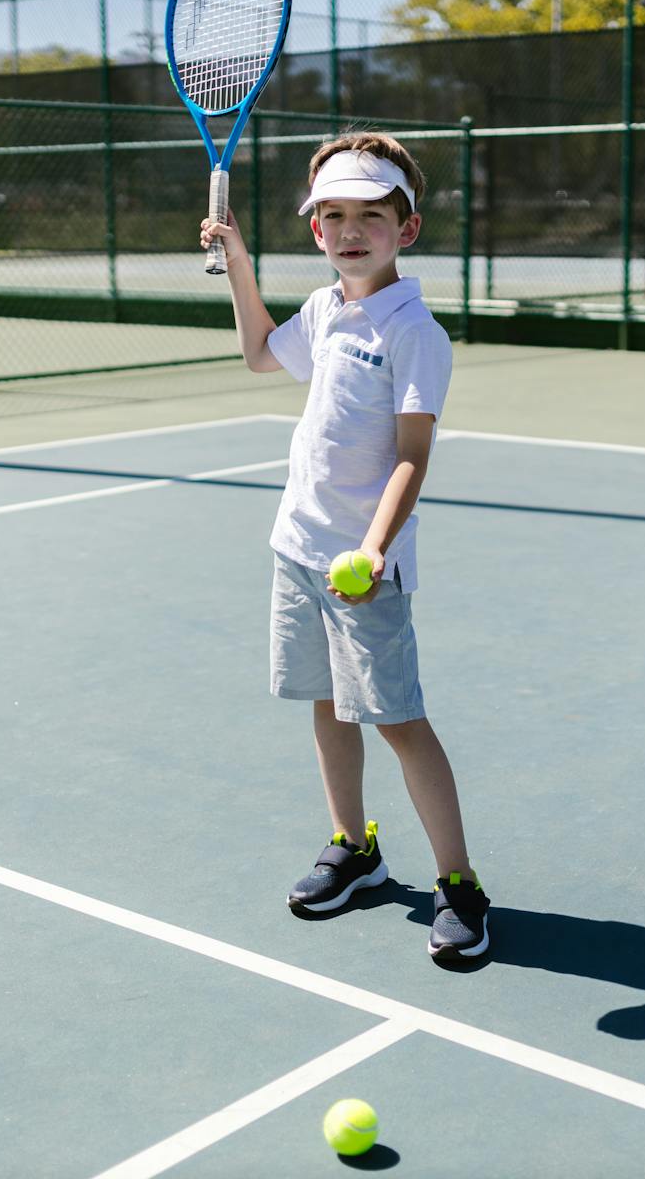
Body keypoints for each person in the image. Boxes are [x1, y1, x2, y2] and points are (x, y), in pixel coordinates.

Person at [199, 132, 489, 962]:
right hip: (297, 549)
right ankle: (355, 849)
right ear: (316, 229)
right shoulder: (327, 310)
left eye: (372, 214)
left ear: (410, 228)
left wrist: (371, 551)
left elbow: (412, 455)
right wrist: (241, 262)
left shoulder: (415, 333)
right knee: (327, 708)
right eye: (334, 215)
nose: (352, 229)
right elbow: (260, 355)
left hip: (365, 568)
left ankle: (459, 883)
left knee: (399, 722)